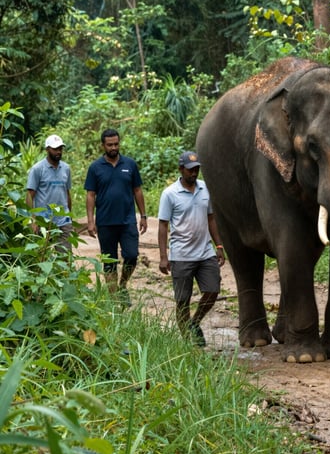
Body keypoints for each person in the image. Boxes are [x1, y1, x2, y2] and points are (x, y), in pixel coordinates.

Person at [157, 150, 226, 347]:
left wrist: (219, 245)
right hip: (181, 255)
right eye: (190, 170)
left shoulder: (205, 189)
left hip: (205, 253)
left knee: (212, 290)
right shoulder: (169, 194)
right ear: (181, 169)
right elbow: (163, 226)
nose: (193, 173)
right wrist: (164, 256)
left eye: (196, 170)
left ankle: (194, 323)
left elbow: (211, 218)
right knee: (182, 301)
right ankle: (188, 342)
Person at [84, 128, 147, 300]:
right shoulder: (95, 168)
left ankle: (122, 285)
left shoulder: (130, 165)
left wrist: (143, 216)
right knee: (110, 261)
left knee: (132, 256)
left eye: (116, 144)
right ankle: (113, 300)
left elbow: (137, 190)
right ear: (103, 145)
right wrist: (91, 221)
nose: (113, 147)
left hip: (127, 221)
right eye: (110, 145)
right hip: (105, 222)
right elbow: (90, 195)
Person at [26, 134, 74, 254]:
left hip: (63, 220)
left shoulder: (66, 168)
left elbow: (67, 193)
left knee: (65, 256)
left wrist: (69, 216)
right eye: (55, 149)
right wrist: (33, 220)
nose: (58, 151)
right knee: (42, 256)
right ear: (47, 149)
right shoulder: (37, 169)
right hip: (44, 221)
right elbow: (30, 195)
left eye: (60, 149)